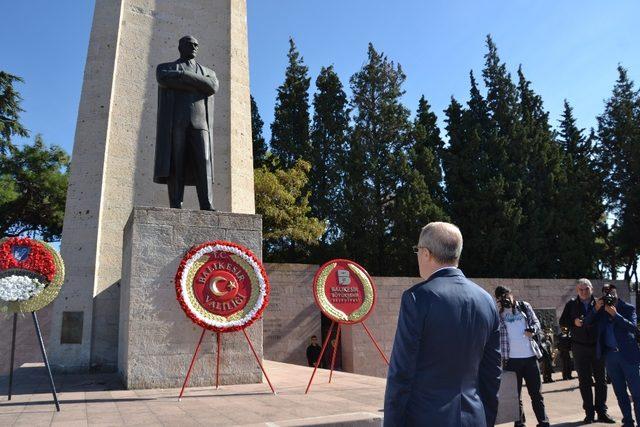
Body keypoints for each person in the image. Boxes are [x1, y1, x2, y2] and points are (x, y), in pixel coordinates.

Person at [384, 222, 501, 427]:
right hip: (475, 418)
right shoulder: (486, 300)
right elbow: (492, 374)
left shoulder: (417, 298)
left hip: (425, 419)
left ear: (426, 253)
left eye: (417, 250)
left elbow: (401, 374)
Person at [155, 35, 219, 210]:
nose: (194, 47)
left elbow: (212, 87)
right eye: (190, 44)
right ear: (180, 47)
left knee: (204, 161)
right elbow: (163, 78)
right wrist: (197, 84)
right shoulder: (166, 68)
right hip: (176, 122)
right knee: (176, 162)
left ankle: (207, 204)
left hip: (201, 124)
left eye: (196, 44)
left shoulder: (209, 73)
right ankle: (176, 204)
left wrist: (182, 77)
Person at [559, 278, 614, 423]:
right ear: (577, 290)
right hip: (579, 347)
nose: (584, 292)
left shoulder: (599, 303)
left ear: (592, 289)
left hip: (597, 346)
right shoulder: (571, 304)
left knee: (601, 381)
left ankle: (602, 411)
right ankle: (589, 413)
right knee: (584, 381)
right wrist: (573, 322)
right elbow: (562, 322)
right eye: (581, 289)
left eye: (586, 289)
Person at [584, 284, 640, 427]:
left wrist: (616, 315)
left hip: (628, 355)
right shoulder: (600, 311)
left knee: (636, 392)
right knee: (620, 392)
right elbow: (587, 322)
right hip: (610, 357)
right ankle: (628, 421)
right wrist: (595, 309)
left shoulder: (628, 308)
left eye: (611, 293)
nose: (609, 296)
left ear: (616, 293)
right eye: (606, 294)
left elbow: (633, 328)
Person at [495, 286, 550, 427]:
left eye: (507, 296)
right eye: (501, 298)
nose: (506, 300)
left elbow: (536, 322)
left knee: (536, 394)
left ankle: (543, 422)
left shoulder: (524, 306)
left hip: (530, 357)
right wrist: (497, 309)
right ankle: (519, 423)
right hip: (511, 360)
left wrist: (533, 329)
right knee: (515, 396)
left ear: (511, 295)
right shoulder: (498, 314)